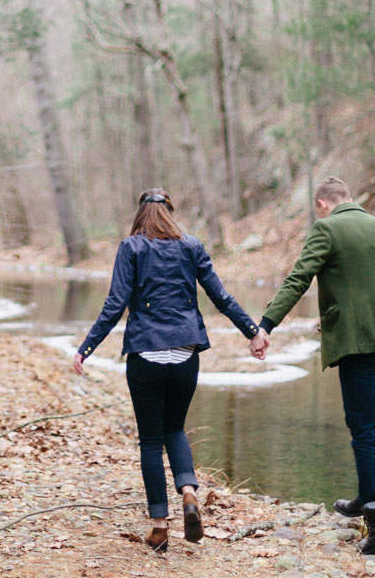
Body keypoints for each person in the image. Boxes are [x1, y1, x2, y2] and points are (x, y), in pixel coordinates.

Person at [252, 176, 375, 556]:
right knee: (363, 417)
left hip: (358, 343)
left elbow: (298, 279)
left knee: (364, 428)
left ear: (322, 205)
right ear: (350, 198)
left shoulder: (326, 229)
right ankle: (365, 494)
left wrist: (266, 326)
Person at [72, 188, 267, 552]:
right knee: (175, 427)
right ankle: (189, 493)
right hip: (185, 351)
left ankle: (160, 525)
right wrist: (252, 332)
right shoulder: (191, 246)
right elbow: (220, 296)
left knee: (150, 439)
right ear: (170, 214)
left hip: (145, 352)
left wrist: (86, 348)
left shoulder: (130, 247)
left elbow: (115, 304)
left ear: (140, 215)